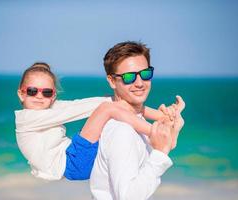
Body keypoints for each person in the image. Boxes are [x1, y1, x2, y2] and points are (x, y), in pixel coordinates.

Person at [15, 62, 182, 181]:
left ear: (53, 96)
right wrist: (112, 103)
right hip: (72, 163)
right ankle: (158, 134)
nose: (38, 96)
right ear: (21, 94)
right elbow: (84, 109)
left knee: (109, 105)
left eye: (46, 92)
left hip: (75, 159)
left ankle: (164, 120)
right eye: (31, 91)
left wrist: (163, 115)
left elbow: (79, 105)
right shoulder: (27, 119)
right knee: (106, 109)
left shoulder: (48, 109)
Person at [90, 41, 185, 200]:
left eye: (145, 74)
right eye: (129, 77)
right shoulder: (122, 131)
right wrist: (160, 154)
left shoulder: (135, 121)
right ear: (112, 81)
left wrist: (171, 126)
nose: (140, 83)